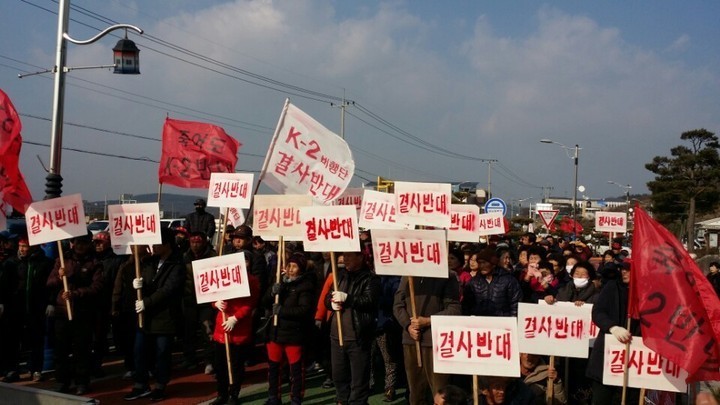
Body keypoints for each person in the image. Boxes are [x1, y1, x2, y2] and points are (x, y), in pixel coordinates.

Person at [124, 228, 185, 402]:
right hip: (146, 317)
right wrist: (136, 284)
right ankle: (140, 384)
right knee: (139, 351)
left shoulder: (177, 264)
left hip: (165, 316)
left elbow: (168, 289)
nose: (154, 246)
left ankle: (160, 385)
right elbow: (141, 276)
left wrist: (147, 302)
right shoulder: (149, 261)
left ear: (167, 244)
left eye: (158, 243)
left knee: (162, 353)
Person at [46, 232, 103, 395]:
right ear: (72, 243)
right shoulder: (62, 260)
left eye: (84, 243)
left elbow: (97, 287)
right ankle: (61, 381)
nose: (81, 246)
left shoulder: (95, 262)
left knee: (82, 349)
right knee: (61, 349)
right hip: (62, 312)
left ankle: (82, 382)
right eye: (78, 242)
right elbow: (49, 283)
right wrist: (59, 276)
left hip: (83, 313)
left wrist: (76, 293)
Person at [393, 269, 461, 404]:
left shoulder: (447, 275)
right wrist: (408, 326)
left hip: (438, 343)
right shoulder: (407, 274)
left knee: (440, 394)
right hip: (411, 341)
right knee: (416, 392)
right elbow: (398, 306)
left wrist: (428, 321)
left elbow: (454, 309)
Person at [325, 250, 380, 405]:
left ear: (360, 257)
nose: (345, 259)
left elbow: (369, 300)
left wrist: (348, 298)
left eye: (349, 256)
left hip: (358, 337)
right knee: (339, 377)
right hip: (337, 336)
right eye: (344, 255)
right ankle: (341, 400)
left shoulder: (370, 278)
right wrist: (331, 303)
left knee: (359, 381)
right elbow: (327, 298)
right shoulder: (340, 275)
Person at [208, 250, 260, 405]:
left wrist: (235, 318)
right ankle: (221, 394)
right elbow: (212, 294)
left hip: (239, 329)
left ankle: (233, 394)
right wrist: (215, 303)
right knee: (220, 366)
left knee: (236, 366)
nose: (243, 263)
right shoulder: (222, 277)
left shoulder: (252, 280)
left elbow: (250, 304)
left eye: (246, 260)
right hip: (221, 329)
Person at [263, 252, 315, 405]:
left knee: (296, 370)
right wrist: (272, 292)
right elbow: (265, 303)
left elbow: (304, 310)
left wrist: (282, 311)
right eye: (289, 266)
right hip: (275, 333)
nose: (291, 269)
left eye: (295, 266)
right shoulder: (280, 283)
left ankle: (296, 398)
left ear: (301, 269)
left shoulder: (305, 286)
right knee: (274, 368)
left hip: (294, 334)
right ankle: (274, 397)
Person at [585, 261, 640, 405]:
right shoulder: (612, 287)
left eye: (629, 270)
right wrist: (612, 327)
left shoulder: (649, 292)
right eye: (623, 269)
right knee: (601, 398)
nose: (624, 272)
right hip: (607, 355)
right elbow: (598, 312)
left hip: (636, 357)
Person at [0, 236, 54, 383]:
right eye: (21, 246)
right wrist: (2, 302)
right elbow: (4, 285)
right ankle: (12, 370)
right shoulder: (10, 263)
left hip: (37, 308)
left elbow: (51, 285)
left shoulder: (46, 263)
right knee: (12, 340)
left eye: (27, 246)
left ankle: (36, 369)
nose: (24, 249)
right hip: (15, 309)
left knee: (36, 340)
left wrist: (50, 303)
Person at [91, 231, 126, 377]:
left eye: (100, 242)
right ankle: (95, 366)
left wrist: (116, 304)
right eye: (95, 243)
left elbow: (119, 284)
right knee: (96, 337)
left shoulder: (116, 260)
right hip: (94, 303)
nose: (97, 245)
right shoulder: (91, 259)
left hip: (111, 302)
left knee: (119, 335)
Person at [181, 231, 217, 373]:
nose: (195, 245)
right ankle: (189, 359)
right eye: (192, 242)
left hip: (207, 301)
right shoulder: (184, 257)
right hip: (189, 300)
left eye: (198, 242)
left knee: (207, 331)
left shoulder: (213, 256)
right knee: (188, 332)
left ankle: (210, 360)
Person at [463, 247, 522, 317]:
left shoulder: (508, 280)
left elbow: (515, 304)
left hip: (503, 323)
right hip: (480, 324)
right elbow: (466, 306)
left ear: (493, 264)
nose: (482, 266)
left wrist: (512, 322)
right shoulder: (473, 282)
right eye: (479, 263)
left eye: (484, 263)